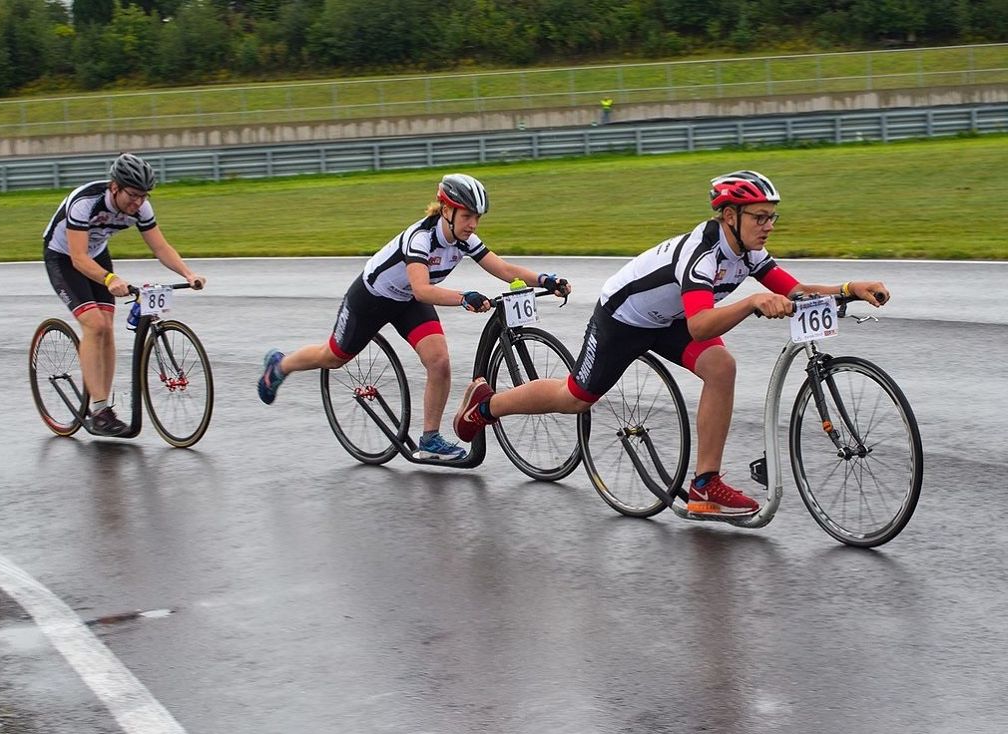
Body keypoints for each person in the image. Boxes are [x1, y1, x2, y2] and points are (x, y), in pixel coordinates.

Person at [453, 170, 890, 516]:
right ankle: (487, 405)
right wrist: (752, 302)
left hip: (671, 318)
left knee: (721, 367)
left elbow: (794, 291)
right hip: (624, 319)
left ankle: (705, 485)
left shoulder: (748, 250)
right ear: (730, 217)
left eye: (772, 216)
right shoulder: (703, 255)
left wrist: (849, 288)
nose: (769, 225)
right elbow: (701, 326)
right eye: (760, 217)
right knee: (576, 398)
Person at [257, 173, 570, 461]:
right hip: (373, 298)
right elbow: (422, 289)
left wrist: (545, 280)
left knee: (439, 362)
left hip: (406, 301)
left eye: (477, 217)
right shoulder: (420, 238)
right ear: (446, 210)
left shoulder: (464, 240)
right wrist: (464, 298)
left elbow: (503, 269)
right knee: (335, 356)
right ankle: (279, 365)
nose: (473, 224)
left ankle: (430, 439)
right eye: (467, 216)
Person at [43, 152, 207, 436]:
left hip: (97, 254)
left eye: (143, 196)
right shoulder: (85, 202)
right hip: (64, 257)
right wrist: (110, 278)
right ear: (114, 187)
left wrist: (188, 274)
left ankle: (103, 406)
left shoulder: (142, 208)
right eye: (133, 195)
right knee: (94, 324)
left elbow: (161, 248)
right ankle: (99, 410)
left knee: (107, 326)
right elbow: (79, 259)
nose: (138, 203)